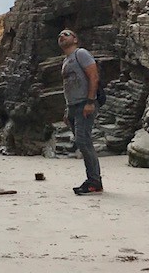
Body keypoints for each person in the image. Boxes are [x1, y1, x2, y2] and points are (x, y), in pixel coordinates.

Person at [58, 29, 103, 195]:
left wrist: (90, 101)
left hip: (85, 104)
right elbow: (67, 87)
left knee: (84, 141)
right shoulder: (66, 60)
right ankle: (94, 179)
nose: (61, 36)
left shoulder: (81, 54)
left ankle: (94, 181)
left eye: (66, 34)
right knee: (83, 142)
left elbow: (93, 76)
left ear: (75, 39)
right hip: (73, 107)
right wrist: (67, 110)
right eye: (59, 36)